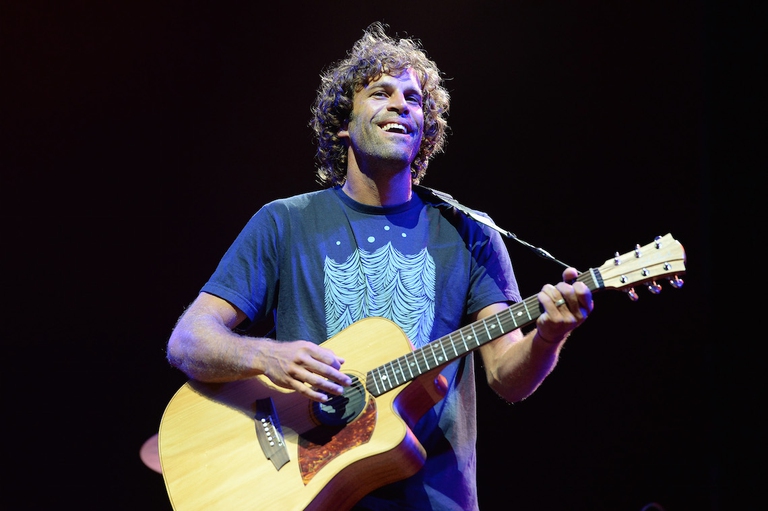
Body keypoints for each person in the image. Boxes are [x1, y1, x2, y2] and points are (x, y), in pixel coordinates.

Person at [165, 22, 593, 511]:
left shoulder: (470, 233)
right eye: (380, 92)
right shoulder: (284, 222)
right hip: (306, 492)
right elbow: (189, 340)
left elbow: (507, 378)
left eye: (413, 99)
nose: (400, 104)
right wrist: (268, 357)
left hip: (435, 498)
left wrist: (551, 335)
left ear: (424, 132)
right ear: (343, 123)